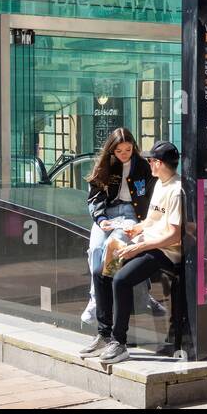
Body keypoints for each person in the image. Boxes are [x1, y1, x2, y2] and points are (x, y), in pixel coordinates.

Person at [81, 140, 183, 365]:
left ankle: (120, 342)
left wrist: (139, 246)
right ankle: (104, 334)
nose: (149, 164)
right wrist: (136, 229)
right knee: (101, 271)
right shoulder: (159, 183)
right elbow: (152, 220)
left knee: (121, 280)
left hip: (163, 252)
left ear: (160, 163)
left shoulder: (176, 190)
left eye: (152, 160)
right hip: (145, 242)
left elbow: (175, 236)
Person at [81, 128, 154, 324]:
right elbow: (95, 197)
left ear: (133, 148)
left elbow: (151, 195)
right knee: (95, 248)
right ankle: (95, 298)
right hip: (108, 213)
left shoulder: (143, 166)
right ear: (112, 150)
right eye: (119, 151)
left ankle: (106, 300)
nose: (124, 154)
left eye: (128, 150)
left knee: (113, 247)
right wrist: (101, 218)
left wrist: (146, 223)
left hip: (131, 213)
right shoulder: (105, 165)